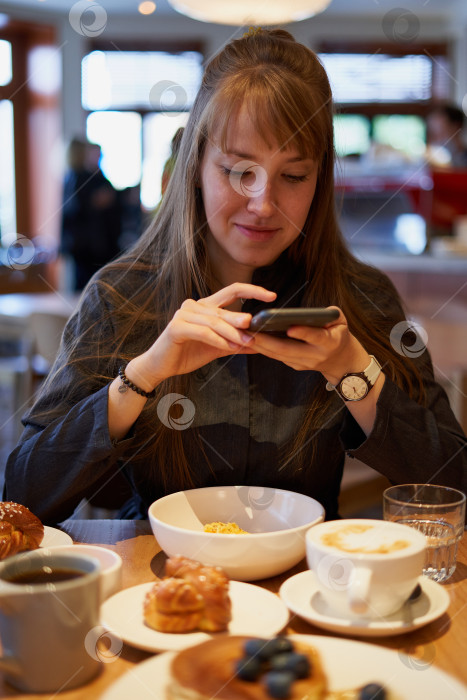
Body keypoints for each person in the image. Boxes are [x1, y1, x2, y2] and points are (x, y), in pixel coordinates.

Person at [5, 29, 466, 524]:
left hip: (309, 586)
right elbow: (24, 497)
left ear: (320, 180)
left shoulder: (361, 296)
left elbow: (453, 483)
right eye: (238, 170)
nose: (263, 204)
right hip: (161, 584)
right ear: (196, 165)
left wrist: (354, 371)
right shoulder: (123, 295)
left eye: (293, 176)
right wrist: (141, 377)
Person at [60, 139, 122, 291]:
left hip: (99, 244)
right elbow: (73, 210)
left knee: (100, 284)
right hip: (85, 245)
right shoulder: (77, 177)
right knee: (85, 285)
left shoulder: (97, 176)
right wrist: (94, 202)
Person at [426, 103, 467, 168]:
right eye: (432, 133)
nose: (436, 139)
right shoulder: (427, 161)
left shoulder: (463, 160)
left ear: (456, 126)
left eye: (441, 130)